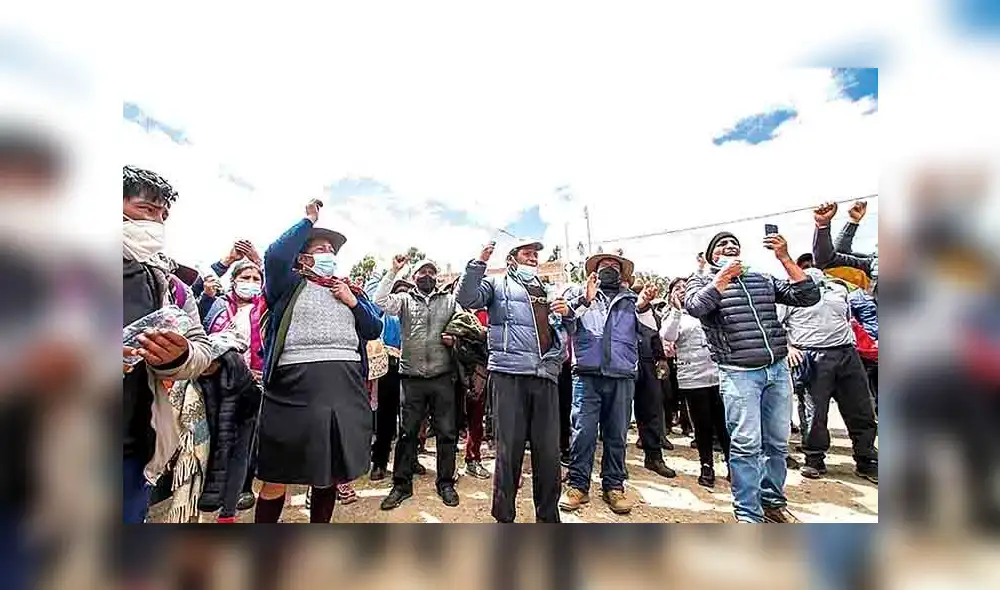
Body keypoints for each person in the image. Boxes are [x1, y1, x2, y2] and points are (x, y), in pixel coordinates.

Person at [252, 199, 383, 523]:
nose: (328, 254)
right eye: (320, 248)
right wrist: (307, 221)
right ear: (303, 257)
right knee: (276, 474)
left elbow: (373, 328)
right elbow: (275, 256)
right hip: (293, 389)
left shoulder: (349, 290)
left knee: (328, 472)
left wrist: (353, 302)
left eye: (331, 250)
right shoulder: (286, 285)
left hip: (344, 386)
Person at [685, 230, 819, 523]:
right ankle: (748, 513)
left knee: (777, 443)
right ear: (710, 256)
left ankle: (771, 502)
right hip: (739, 374)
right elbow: (695, 307)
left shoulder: (761, 278)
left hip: (777, 370)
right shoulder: (700, 281)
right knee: (746, 444)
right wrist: (722, 278)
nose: (730, 246)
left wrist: (784, 258)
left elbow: (808, 295)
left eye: (734, 243)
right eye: (722, 244)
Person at [122, 165, 213, 523]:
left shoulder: (169, 286)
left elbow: (201, 347)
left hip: (133, 452)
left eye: (162, 215)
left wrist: (179, 356)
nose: (155, 222)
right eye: (146, 209)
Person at [456, 239, 568, 523]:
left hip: (545, 375)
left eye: (536, 255)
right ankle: (504, 517)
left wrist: (568, 315)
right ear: (512, 259)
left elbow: (565, 329)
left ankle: (548, 518)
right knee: (509, 452)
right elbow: (467, 298)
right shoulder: (497, 285)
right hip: (509, 375)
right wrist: (479, 263)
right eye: (527, 253)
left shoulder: (548, 290)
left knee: (548, 454)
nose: (533, 258)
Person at [559, 253, 662, 515]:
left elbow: (650, 329)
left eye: (615, 266)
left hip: (621, 375)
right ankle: (577, 485)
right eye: (604, 265)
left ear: (622, 274)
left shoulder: (632, 300)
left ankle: (614, 486)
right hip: (587, 374)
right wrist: (586, 298)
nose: (609, 269)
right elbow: (565, 322)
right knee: (583, 432)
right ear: (594, 271)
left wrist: (644, 305)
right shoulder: (579, 295)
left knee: (617, 434)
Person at [375, 256, 463, 510]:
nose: (427, 276)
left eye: (431, 272)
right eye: (422, 272)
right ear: (414, 277)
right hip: (411, 378)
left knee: (446, 433)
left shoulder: (449, 300)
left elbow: (464, 325)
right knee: (407, 434)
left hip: (442, 377)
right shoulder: (403, 300)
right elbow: (379, 301)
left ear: (437, 276)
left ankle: (445, 483)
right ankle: (401, 485)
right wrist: (393, 270)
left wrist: (455, 338)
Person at [780, 268, 879, 483]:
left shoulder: (838, 290)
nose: (810, 269)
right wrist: (789, 348)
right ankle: (814, 459)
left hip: (847, 354)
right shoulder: (788, 295)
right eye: (803, 266)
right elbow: (775, 325)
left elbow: (848, 318)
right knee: (815, 412)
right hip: (811, 355)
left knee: (861, 409)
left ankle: (866, 459)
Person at [659, 277, 730, 488]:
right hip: (692, 379)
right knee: (702, 425)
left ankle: (733, 465)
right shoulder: (673, 316)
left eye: (686, 287)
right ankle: (706, 466)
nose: (682, 290)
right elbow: (668, 336)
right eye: (677, 288)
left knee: (725, 424)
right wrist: (676, 310)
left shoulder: (709, 309)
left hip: (719, 375)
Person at [629, 281, 677, 479]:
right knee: (618, 414)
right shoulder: (621, 306)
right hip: (623, 362)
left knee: (651, 410)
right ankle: (614, 464)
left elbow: (655, 337)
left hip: (647, 364)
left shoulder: (652, 315)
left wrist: (661, 360)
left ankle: (654, 457)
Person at [369, 277, 412, 482]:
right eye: (399, 290)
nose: (404, 294)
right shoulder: (384, 315)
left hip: (411, 370)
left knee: (410, 420)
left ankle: (409, 461)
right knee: (385, 419)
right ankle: (379, 462)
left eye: (407, 291)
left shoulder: (414, 315)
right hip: (388, 369)